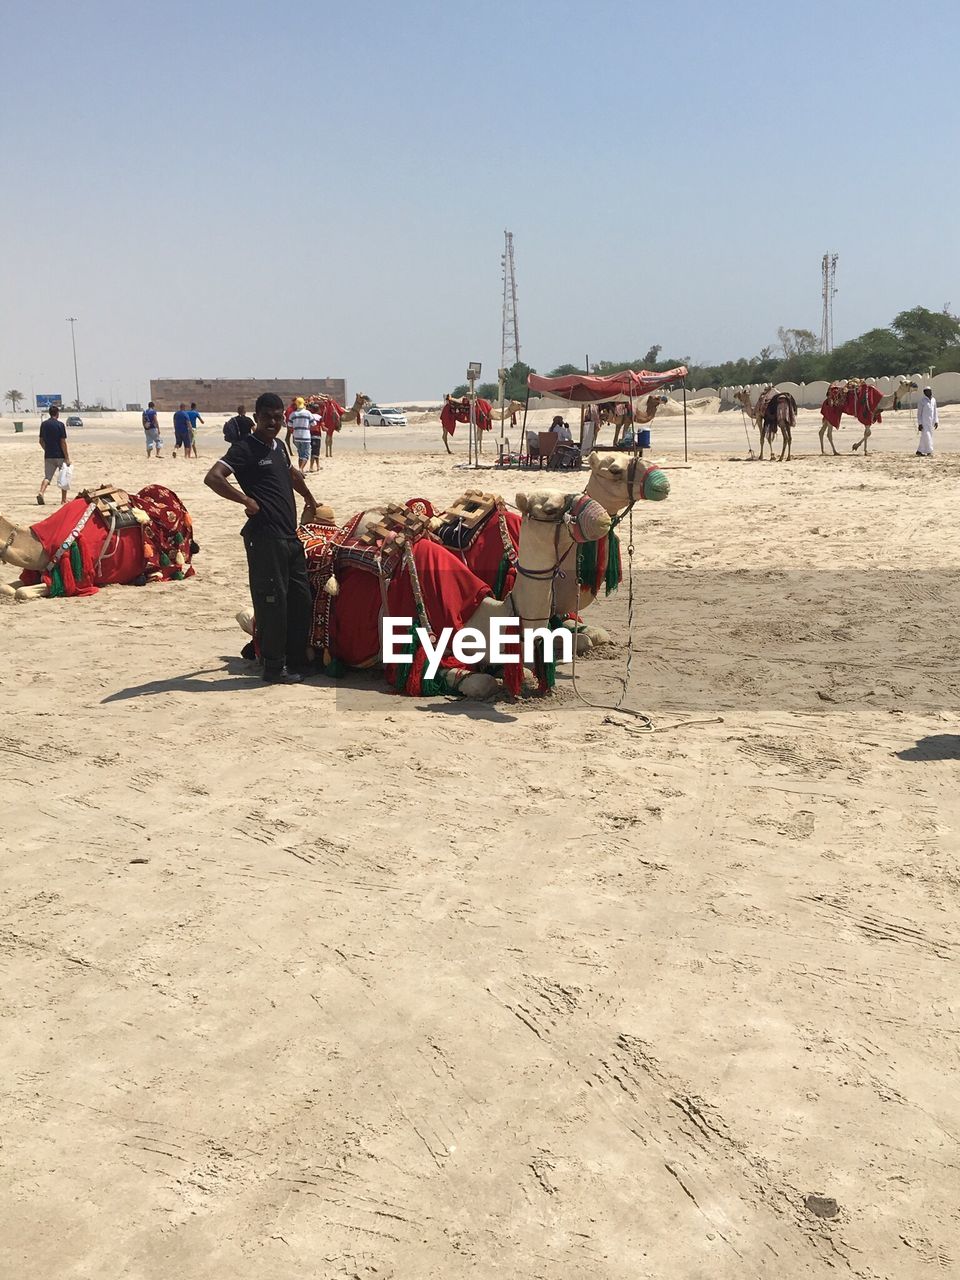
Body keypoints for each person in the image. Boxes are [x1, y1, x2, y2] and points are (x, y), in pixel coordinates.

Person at [204, 392, 322, 684]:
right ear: (256, 418)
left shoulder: (280, 446)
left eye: (277, 417)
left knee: (300, 600)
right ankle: (273, 666)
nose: (273, 422)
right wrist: (246, 500)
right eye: (267, 417)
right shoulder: (245, 448)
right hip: (264, 537)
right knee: (272, 603)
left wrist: (308, 497)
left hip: (289, 535)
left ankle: (296, 660)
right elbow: (213, 477)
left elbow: (292, 473)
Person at [37, 404, 71, 505]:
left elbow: (41, 441)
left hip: (48, 455)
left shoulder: (44, 424)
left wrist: (46, 449)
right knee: (63, 477)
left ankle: (41, 492)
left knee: (47, 477)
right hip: (60, 455)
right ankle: (63, 499)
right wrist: (67, 457)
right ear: (57, 414)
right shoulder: (60, 425)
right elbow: (62, 442)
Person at [286, 396, 319, 474]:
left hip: (296, 437)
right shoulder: (308, 413)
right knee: (306, 455)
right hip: (305, 437)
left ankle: (301, 471)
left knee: (300, 454)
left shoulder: (293, 414)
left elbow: (289, 425)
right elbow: (314, 423)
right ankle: (301, 469)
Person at [916, 386, 938, 456]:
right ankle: (929, 451)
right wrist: (920, 424)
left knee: (925, 437)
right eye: (927, 391)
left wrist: (936, 421)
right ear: (925, 392)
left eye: (930, 390)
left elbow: (935, 411)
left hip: (931, 422)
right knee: (927, 436)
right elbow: (919, 414)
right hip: (924, 422)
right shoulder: (922, 401)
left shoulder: (933, 400)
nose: (930, 392)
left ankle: (919, 451)